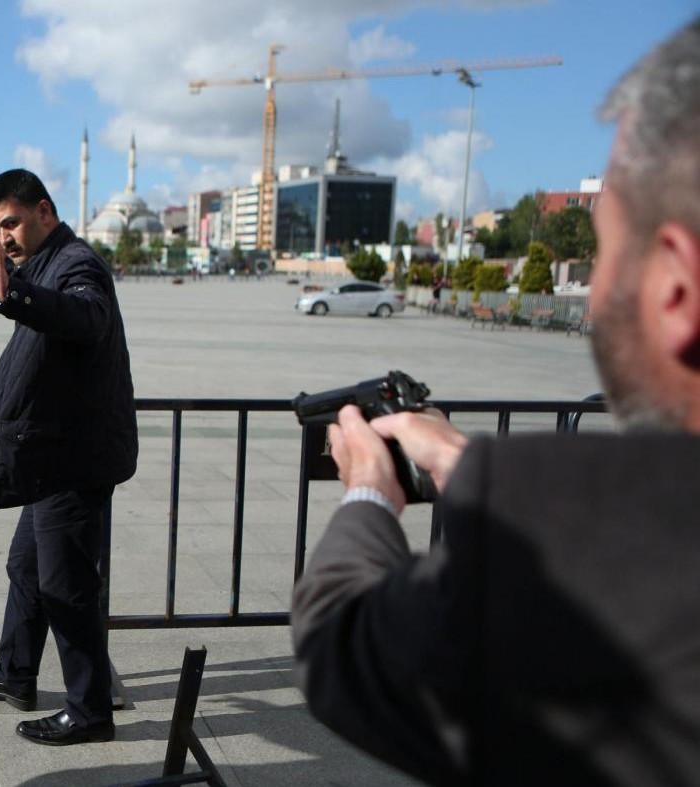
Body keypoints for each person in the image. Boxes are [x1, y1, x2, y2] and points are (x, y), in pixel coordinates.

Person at [291, 18, 700, 785]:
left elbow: (341, 644)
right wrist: (473, 466)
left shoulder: (577, 546)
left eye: (608, 247)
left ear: (675, 286)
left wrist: (368, 499)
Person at [0, 169, 138, 746]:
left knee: (67, 589)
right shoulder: (41, 266)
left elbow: (85, 317)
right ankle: (16, 674)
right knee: (27, 569)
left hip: (74, 461)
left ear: (45, 212)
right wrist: (10, 287)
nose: (4, 236)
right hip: (52, 457)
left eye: (11, 223)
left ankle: (89, 712)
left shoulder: (77, 263)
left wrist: (11, 293)